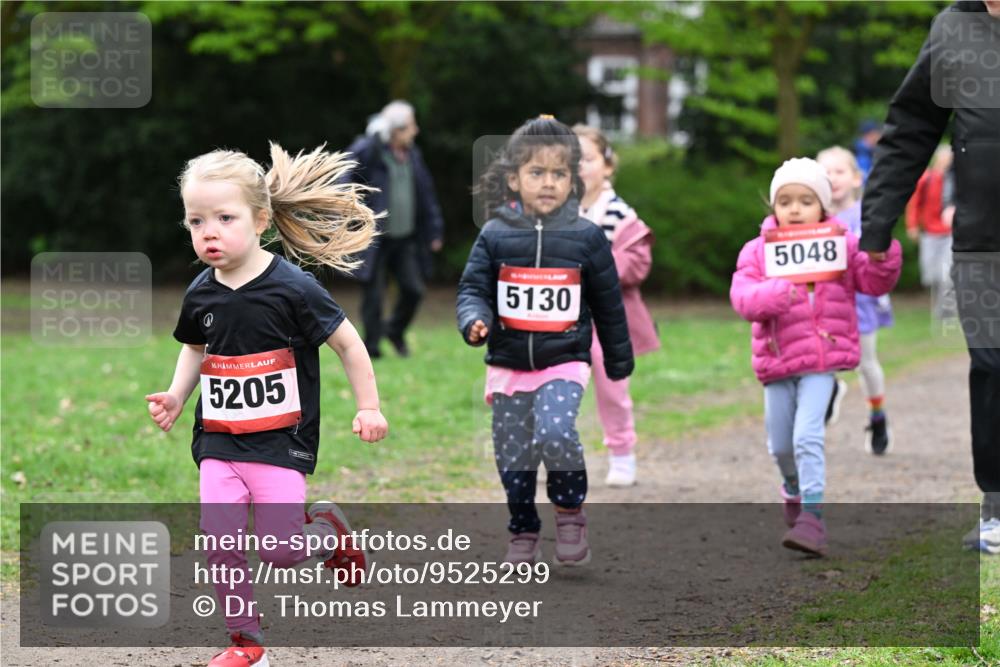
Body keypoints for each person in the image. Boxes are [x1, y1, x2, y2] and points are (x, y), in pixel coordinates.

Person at [146, 143, 389, 667]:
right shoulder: (201, 293)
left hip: (281, 443)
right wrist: (175, 394)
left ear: (260, 220)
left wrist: (368, 406)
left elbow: (348, 342)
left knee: (281, 550)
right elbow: (194, 348)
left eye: (224, 218)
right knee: (220, 542)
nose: (208, 231)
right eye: (195, 221)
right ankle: (245, 641)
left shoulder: (294, 288)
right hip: (218, 441)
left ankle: (327, 532)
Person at [457, 116, 634, 566]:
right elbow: (473, 289)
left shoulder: (587, 237)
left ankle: (570, 511)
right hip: (508, 363)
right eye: (537, 173)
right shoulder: (495, 234)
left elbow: (609, 304)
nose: (548, 183)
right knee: (514, 458)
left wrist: (617, 361)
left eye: (559, 174)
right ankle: (523, 530)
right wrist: (475, 319)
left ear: (573, 179)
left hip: (564, 360)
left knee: (556, 434)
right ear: (514, 178)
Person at [859, 0, 1000, 554]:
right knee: (992, 365)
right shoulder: (954, 28)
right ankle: (997, 507)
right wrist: (876, 224)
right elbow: (913, 126)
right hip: (983, 240)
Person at [730, 158, 901, 556]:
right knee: (780, 446)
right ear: (773, 206)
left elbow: (873, 281)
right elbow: (742, 298)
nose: (793, 209)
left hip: (823, 361)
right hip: (777, 362)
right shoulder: (757, 252)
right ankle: (791, 486)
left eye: (805, 200)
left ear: (822, 206)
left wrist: (884, 253)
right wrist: (775, 294)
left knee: (808, 436)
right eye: (785, 200)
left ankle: (813, 518)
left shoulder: (841, 244)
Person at [574, 124, 659, 487]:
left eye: (588, 158)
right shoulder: (550, 215)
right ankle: (556, 454)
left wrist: (600, 269)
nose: (579, 166)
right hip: (561, 317)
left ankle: (622, 453)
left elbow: (639, 262)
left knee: (613, 389)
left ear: (607, 166)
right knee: (557, 388)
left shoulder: (621, 215)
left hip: (607, 318)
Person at [345, 100, 445, 358]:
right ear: (397, 130)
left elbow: (426, 194)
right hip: (375, 238)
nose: (416, 131)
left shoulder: (413, 154)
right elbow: (343, 172)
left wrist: (434, 230)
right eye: (411, 126)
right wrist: (353, 209)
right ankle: (372, 347)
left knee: (414, 289)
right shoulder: (371, 151)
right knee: (373, 296)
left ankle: (394, 330)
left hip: (405, 239)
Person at [818, 146, 895, 455]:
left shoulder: (866, 216)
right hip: (823, 303)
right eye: (826, 172)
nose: (833, 178)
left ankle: (877, 416)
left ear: (855, 178)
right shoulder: (811, 218)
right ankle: (829, 390)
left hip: (860, 301)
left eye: (839, 171)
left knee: (865, 362)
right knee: (821, 360)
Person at [905, 145, 955, 319]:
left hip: (950, 233)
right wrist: (912, 226)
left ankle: (944, 313)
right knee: (929, 277)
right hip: (929, 233)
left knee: (946, 275)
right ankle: (942, 306)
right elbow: (914, 204)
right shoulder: (926, 179)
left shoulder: (955, 181)